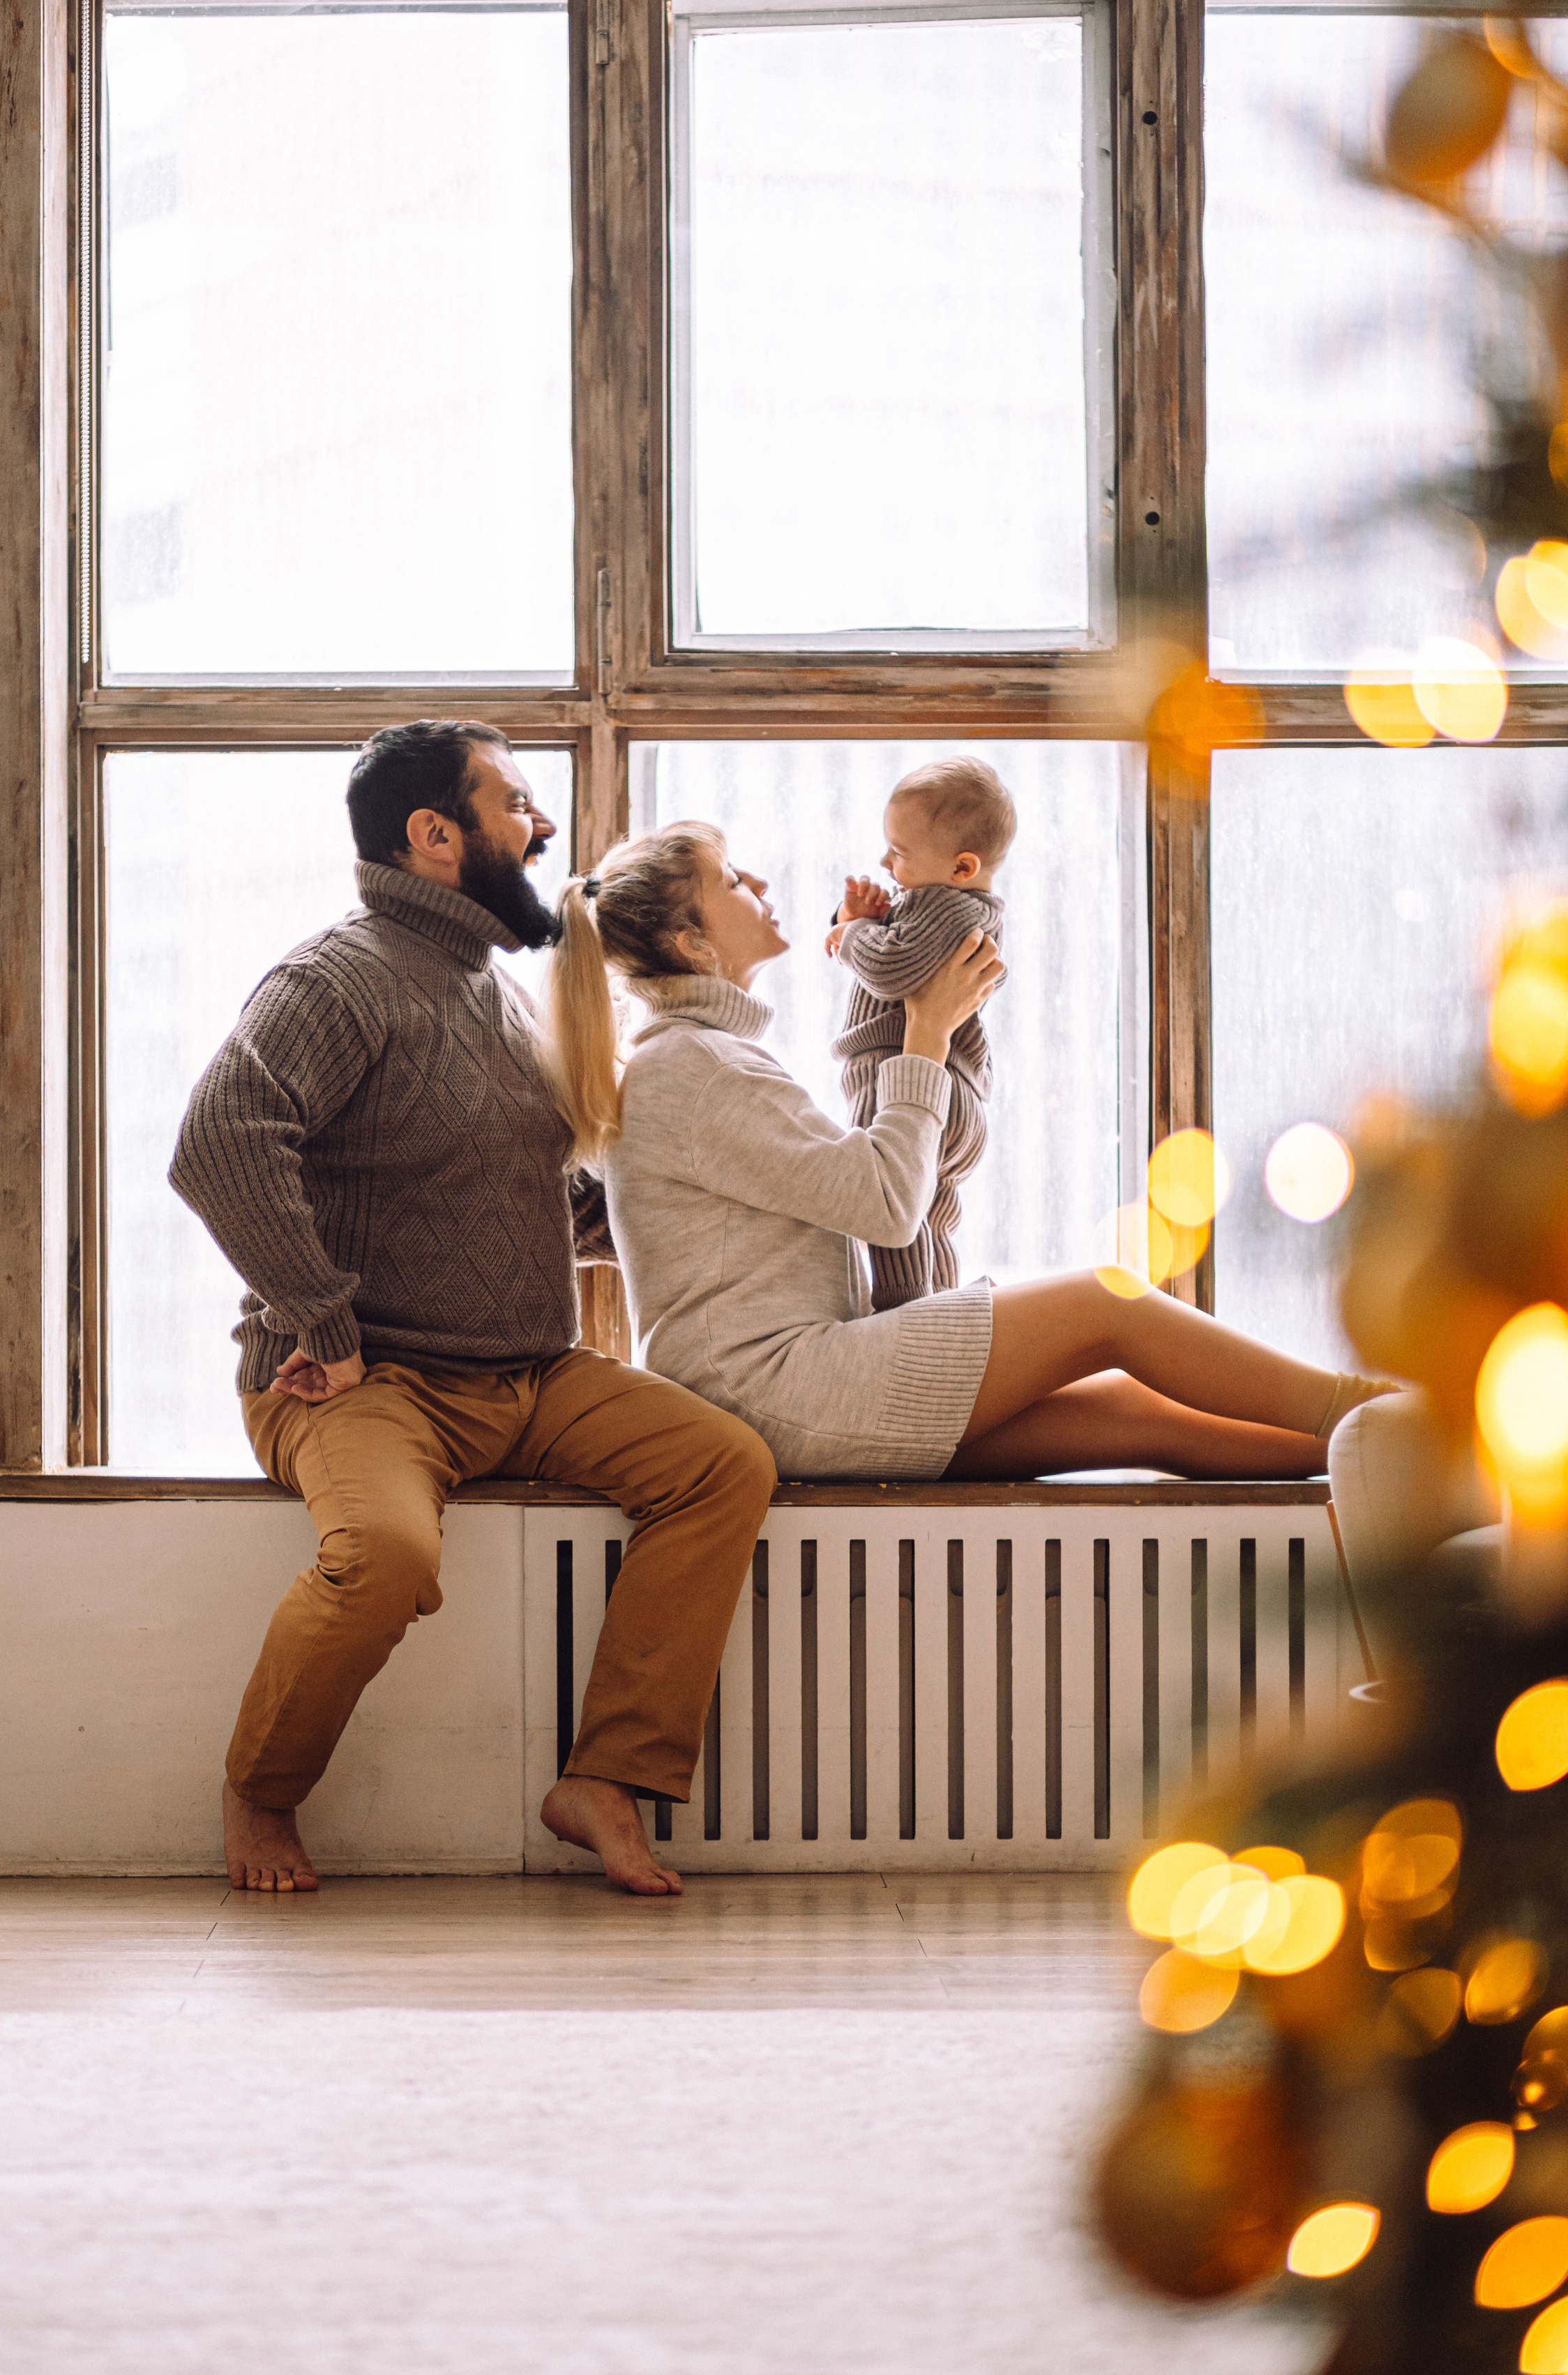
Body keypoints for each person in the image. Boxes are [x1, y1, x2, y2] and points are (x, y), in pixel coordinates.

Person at [169, 728, 776, 1897]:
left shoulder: (491, 985)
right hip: (366, 1381)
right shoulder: (335, 977)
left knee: (720, 1462)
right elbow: (219, 1142)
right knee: (385, 1553)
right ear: (434, 836)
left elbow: (515, 1193)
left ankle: (607, 1776)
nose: (542, 829)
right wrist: (323, 1321)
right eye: (519, 805)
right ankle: (262, 1788)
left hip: (528, 1374)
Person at [545, 820, 1396, 1485]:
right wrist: (926, 1030)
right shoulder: (689, 1066)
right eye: (730, 881)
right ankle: (1378, 1411)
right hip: (783, 1391)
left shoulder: (695, 1059)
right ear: (692, 945)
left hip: (785, 1391)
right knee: (1108, 1303)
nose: (758, 883)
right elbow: (886, 1204)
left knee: (1142, 1416)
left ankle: (1392, 1461)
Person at [826, 755, 1014, 1312]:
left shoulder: (946, 906)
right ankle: (944, 1307)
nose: (886, 861)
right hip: (955, 1091)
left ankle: (903, 1310)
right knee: (931, 1210)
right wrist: (862, 917)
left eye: (899, 853)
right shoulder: (960, 906)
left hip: (904, 1078)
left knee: (887, 1202)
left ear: (962, 867)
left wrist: (853, 930)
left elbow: (889, 968)